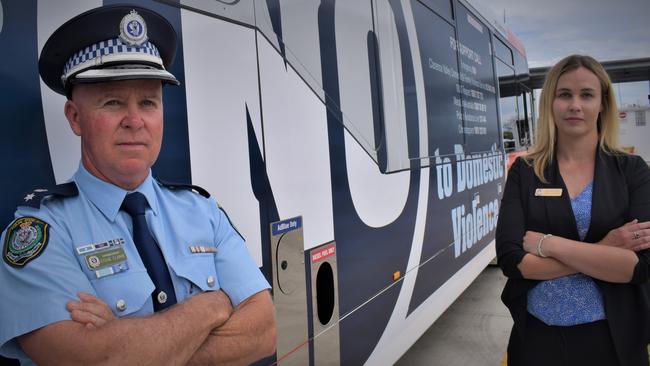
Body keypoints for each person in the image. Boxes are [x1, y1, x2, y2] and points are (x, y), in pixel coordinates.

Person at [0, 4, 276, 365]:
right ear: (75, 117)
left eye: (148, 102)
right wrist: (213, 304)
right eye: (112, 102)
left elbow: (267, 328)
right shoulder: (42, 233)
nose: (134, 120)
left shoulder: (200, 211)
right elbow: (87, 359)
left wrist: (136, 345)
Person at [496, 54, 650, 366]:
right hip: (538, 339)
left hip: (612, 339)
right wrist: (605, 249)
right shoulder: (525, 171)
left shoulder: (632, 170)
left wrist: (549, 245)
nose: (575, 105)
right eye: (564, 94)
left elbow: (638, 266)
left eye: (587, 95)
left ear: (603, 103)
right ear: (551, 103)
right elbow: (513, 260)